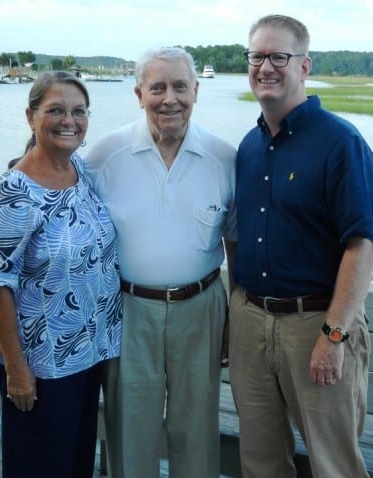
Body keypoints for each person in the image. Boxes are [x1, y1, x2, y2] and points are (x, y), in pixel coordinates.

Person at [229, 14, 373, 478]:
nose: (266, 67)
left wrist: (335, 335)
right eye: (257, 56)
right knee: (261, 462)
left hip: (315, 326)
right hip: (251, 324)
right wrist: (235, 311)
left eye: (280, 56)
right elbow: (235, 238)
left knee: (333, 465)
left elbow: (364, 245)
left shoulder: (340, 143)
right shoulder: (249, 148)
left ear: (304, 66)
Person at [85, 47, 236, 478]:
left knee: (198, 427)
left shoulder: (224, 158)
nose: (169, 98)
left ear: (196, 91)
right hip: (128, 310)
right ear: (138, 95)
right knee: (130, 428)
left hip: (202, 307)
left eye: (180, 87)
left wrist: (233, 318)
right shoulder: (104, 156)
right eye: (157, 88)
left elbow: (236, 243)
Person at [0, 71, 122, 478]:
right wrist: (18, 371)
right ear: (30, 116)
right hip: (40, 364)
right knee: (39, 467)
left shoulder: (78, 171)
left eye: (78, 111)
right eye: (55, 110)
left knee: (75, 463)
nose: (69, 121)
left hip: (86, 353)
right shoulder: (13, 193)